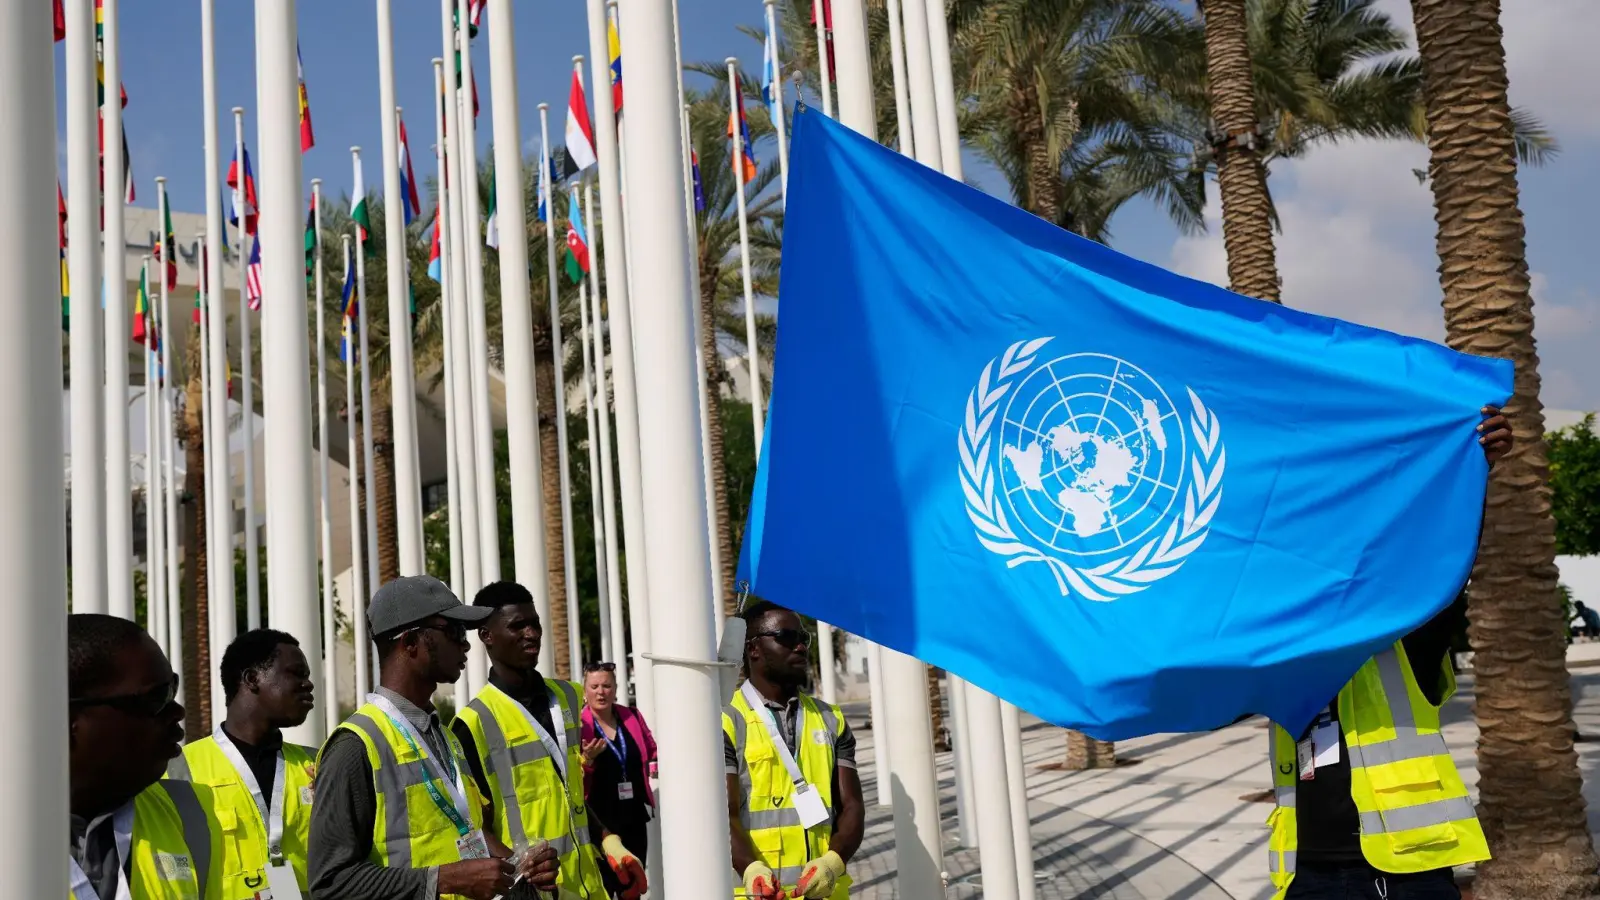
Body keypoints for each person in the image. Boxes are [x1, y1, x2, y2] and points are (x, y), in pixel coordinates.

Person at [1265, 406, 1512, 900]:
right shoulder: (1283, 657)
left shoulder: (1405, 644)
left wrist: (1473, 474)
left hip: (1404, 872)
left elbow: (1446, 568)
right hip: (1305, 873)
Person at [308, 575, 558, 900]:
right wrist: (442, 880)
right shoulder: (354, 747)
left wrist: (521, 866)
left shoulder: (444, 735)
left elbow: (469, 831)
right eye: (453, 631)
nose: (466, 644)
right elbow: (329, 883)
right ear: (410, 642)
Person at [452, 582, 648, 900]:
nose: (532, 634)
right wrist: (524, 878)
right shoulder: (471, 725)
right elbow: (473, 831)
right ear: (486, 636)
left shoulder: (567, 697)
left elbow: (568, 795)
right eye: (518, 626)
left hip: (590, 889)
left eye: (535, 623)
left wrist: (609, 842)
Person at [68, 613, 225, 899]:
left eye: (172, 688)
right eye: (156, 697)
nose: (177, 712)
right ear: (69, 719)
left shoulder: (191, 815)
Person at [724, 602, 865, 900]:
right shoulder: (726, 721)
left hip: (824, 894)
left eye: (804, 638)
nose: (801, 646)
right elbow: (723, 814)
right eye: (787, 637)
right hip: (757, 895)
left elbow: (851, 806)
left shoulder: (831, 719)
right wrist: (751, 871)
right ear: (753, 649)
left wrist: (832, 862)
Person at [167, 628, 318, 900]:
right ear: (252, 679)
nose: (308, 684)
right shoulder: (180, 769)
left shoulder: (318, 764)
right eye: (296, 673)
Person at [579, 660, 659, 894]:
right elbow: (572, 776)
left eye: (606, 686)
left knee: (633, 887)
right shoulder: (580, 725)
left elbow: (651, 749)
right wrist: (588, 760)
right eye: (594, 687)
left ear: (615, 689)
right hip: (600, 823)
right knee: (604, 888)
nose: (600, 692)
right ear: (585, 691)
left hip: (634, 817)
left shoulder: (631, 717)